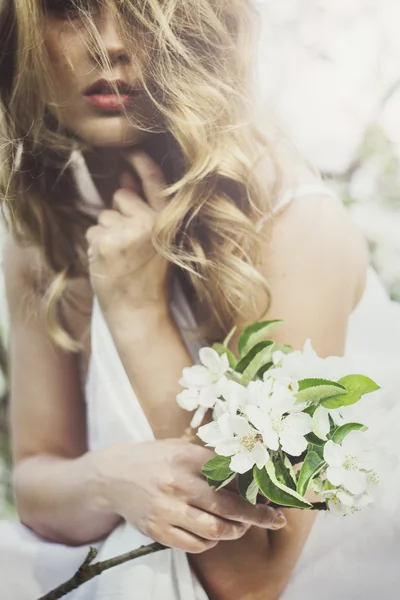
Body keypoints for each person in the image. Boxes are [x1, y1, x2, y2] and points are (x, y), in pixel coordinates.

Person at [0, 1, 399, 599]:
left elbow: (252, 577)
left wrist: (138, 313)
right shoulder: (43, 228)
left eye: (142, 10)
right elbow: (36, 483)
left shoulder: (291, 228)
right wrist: (110, 480)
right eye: (67, 7)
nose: (109, 43)